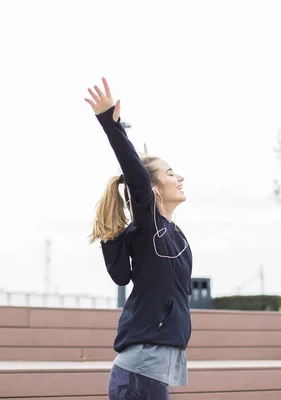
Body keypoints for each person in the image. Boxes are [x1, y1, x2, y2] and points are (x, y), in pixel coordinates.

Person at [85, 78, 193, 399]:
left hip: (148, 373)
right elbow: (135, 178)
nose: (180, 176)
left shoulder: (172, 235)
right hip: (139, 372)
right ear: (154, 187)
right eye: (171, 173)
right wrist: (111, 124)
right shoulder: (151, 229)